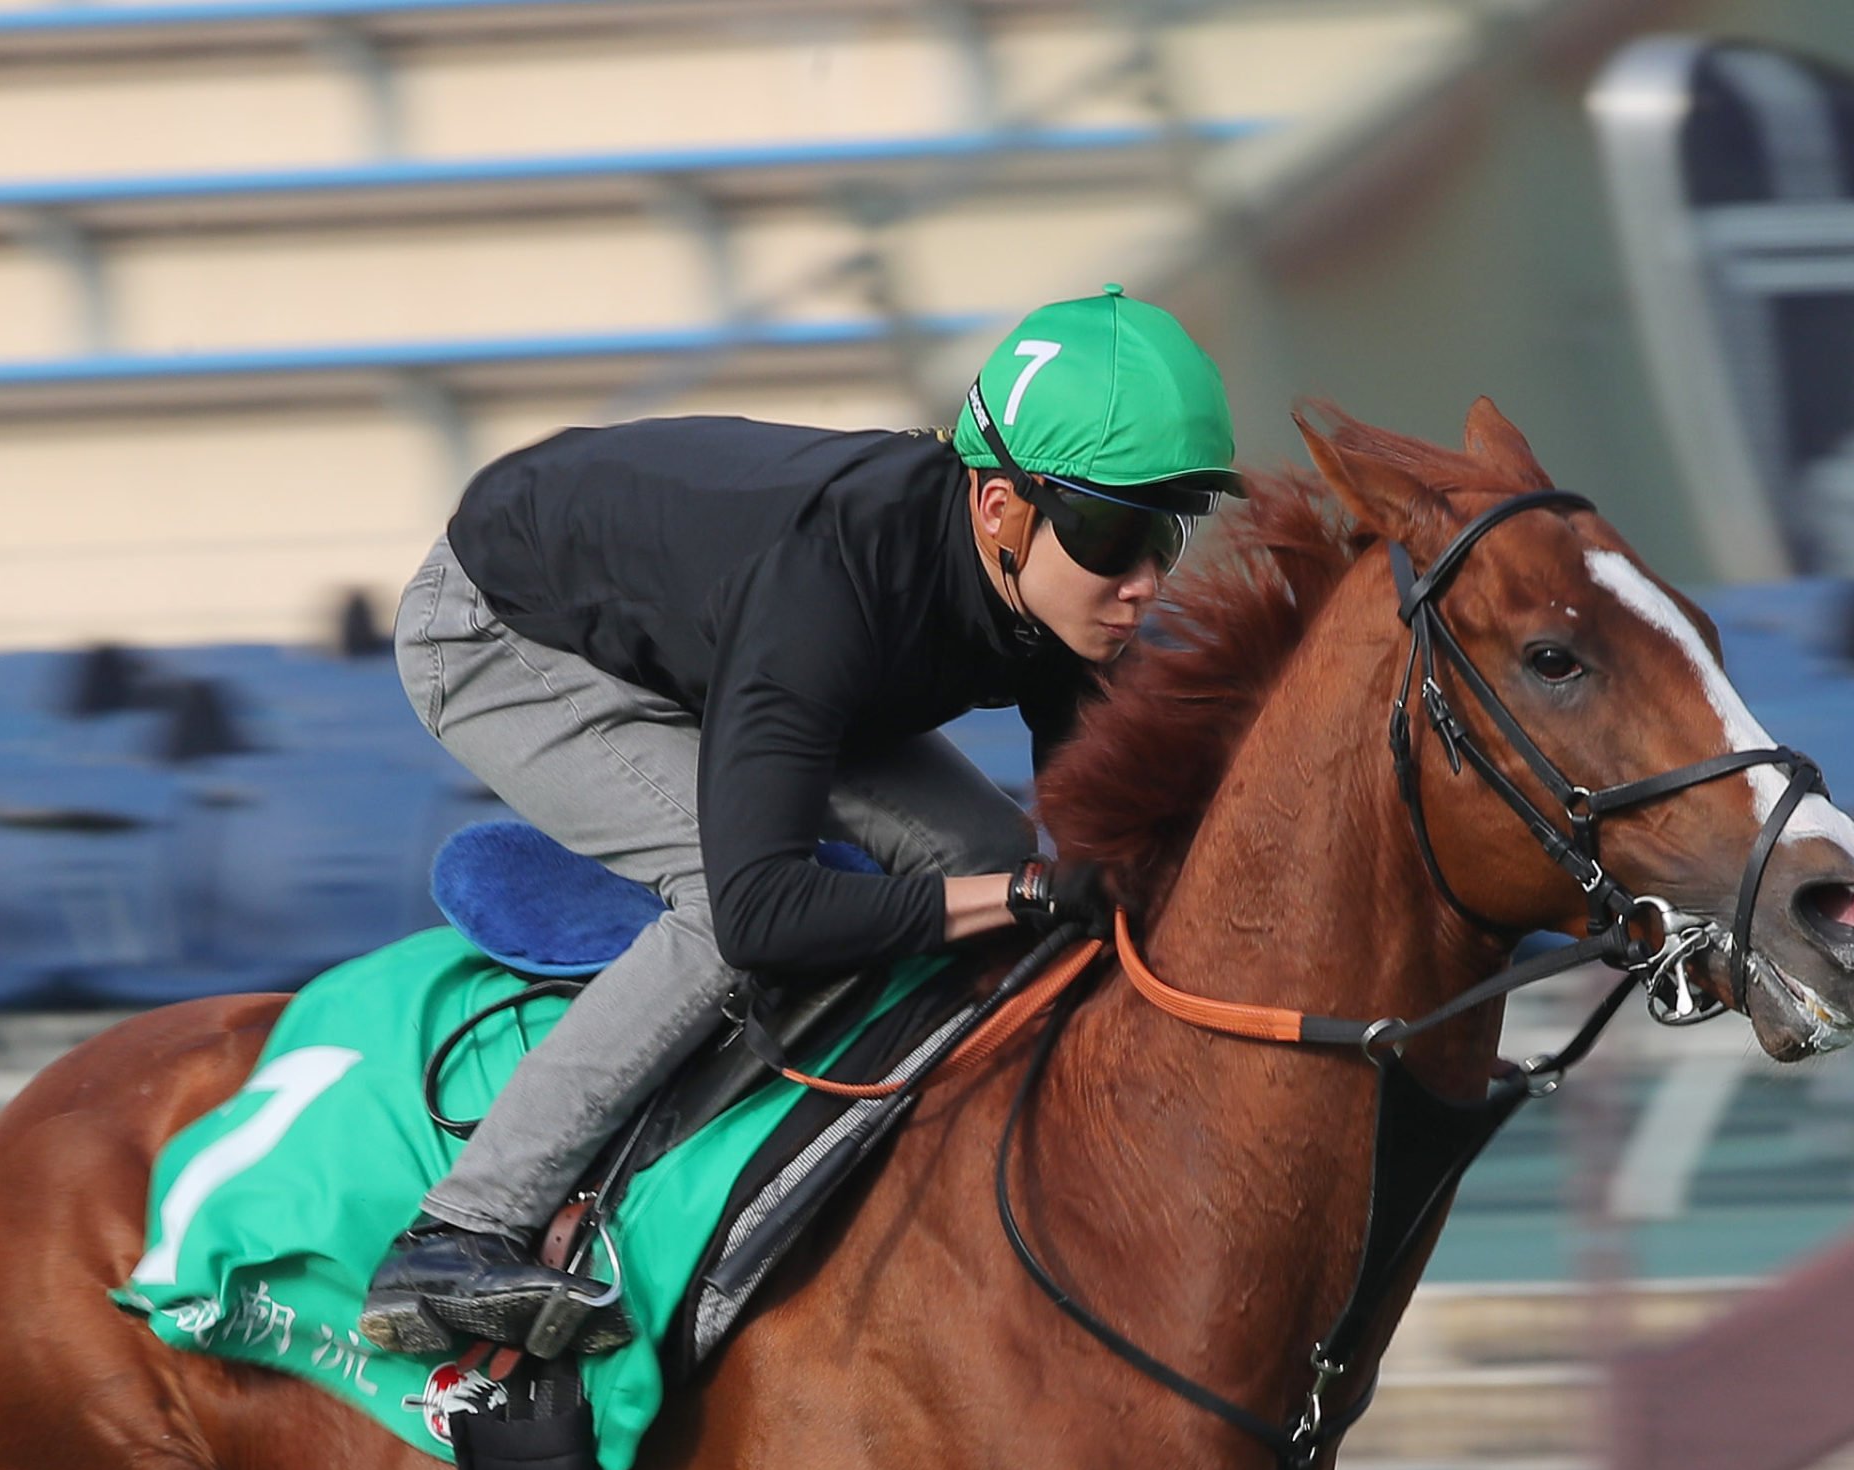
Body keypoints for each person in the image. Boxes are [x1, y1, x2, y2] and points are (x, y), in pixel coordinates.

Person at [359, 286, 1245, 1360]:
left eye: (1166, 534)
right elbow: (761, 910)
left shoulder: (1056, 596)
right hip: (504, 631)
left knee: (981, 853)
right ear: (999, 508)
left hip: (711, 630)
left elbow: (1108, 852)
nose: (1144, 582)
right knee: (719, 911)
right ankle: (461, 1230)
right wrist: (1026, 897)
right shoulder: (832, 587)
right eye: (1112, 533)